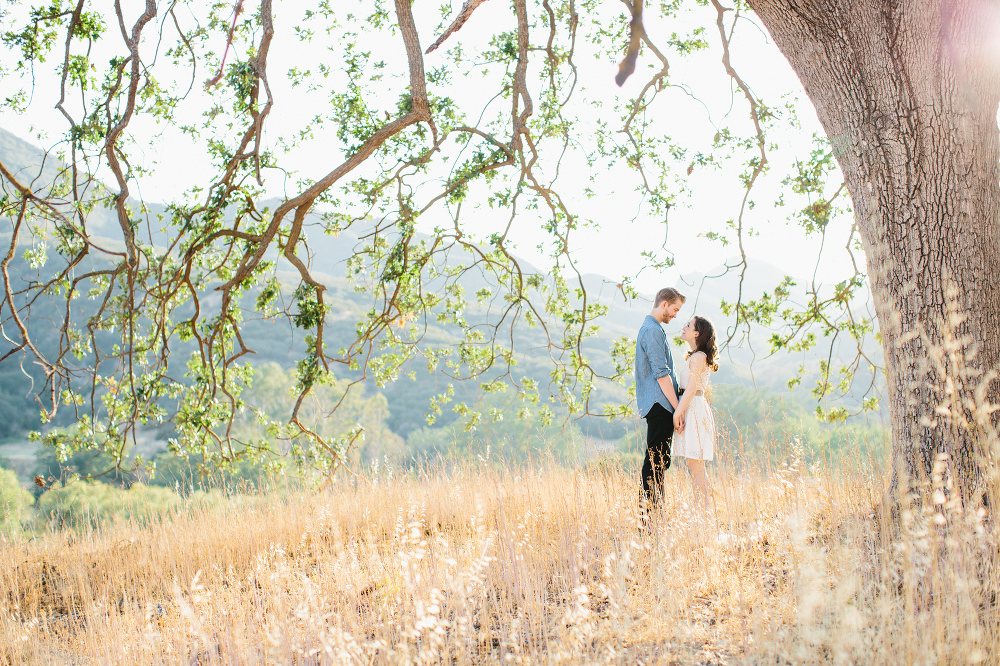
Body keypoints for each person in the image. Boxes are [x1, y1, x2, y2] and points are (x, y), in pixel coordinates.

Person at [634, 287, 685, 509]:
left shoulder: (653, 328)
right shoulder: (652, 330)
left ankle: (654, 515)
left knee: (659, 461)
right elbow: (661, 374)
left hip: (660, 404)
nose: (675, 315)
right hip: (660, 404)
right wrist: (677, 409)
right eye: (675, 309)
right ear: (663, 304)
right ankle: (647, 519)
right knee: (655, 461)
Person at [672, 315, 719, 512]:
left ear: (697, 333)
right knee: (694, 466)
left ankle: (704, 512)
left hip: (694, 408)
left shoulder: (699, 357)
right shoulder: (695, 356)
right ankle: (702, 510)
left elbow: (691, 389)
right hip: (690, 407)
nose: (684, 327)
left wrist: (677, 414)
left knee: (696, 466)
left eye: (688, 325)